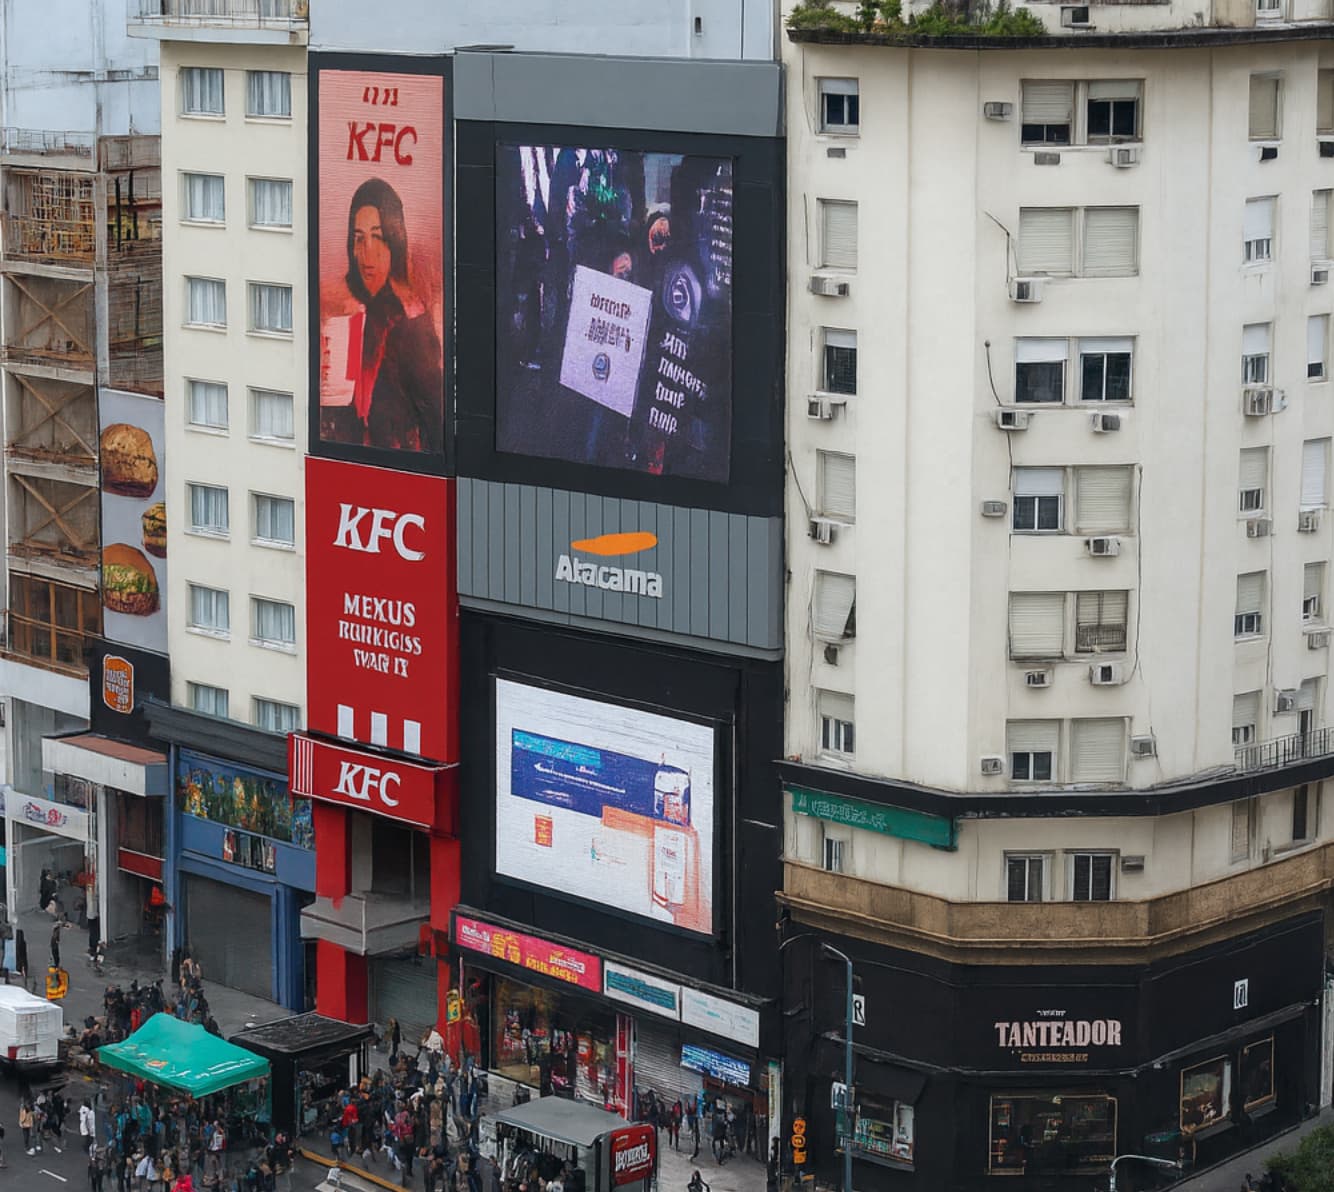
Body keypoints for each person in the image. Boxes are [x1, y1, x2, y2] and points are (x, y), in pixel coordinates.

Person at [325, 177, 444, 453]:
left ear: (395, 240)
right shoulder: (345, 311)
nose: (367, 252)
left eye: (378, 237)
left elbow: (435, 422)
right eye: (359, 238)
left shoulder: (411, 322)